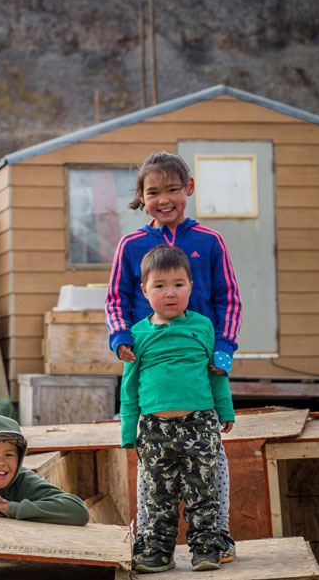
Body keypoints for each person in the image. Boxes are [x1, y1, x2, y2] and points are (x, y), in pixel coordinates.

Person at [105, 151, 240, 564]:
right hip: (151, 363)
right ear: (141, 197)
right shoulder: (131, 244)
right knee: (154, 477)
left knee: (210, 472)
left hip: (202, 363)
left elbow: (228, 298)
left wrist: (224, 349)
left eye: (173, 189)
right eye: (153, 192)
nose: (164, 199)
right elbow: (115, 298)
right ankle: (153, 545)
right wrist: (121, 337)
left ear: (189, 189)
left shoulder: (210, 241)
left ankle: (215, 539)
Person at [120, 245, 235, 573]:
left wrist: (225, 411)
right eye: (159, 285)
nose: (170, 293)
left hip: (200, 425)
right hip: (154, 430)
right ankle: (158, 550)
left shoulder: (203, 327)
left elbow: (216, 374)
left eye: (178, 284)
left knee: (203, 491)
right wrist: (129, 431)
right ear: (144, 291)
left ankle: (205, 547)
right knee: (159, 496)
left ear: (191, 287)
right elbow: (129, 388)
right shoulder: (137, 334)